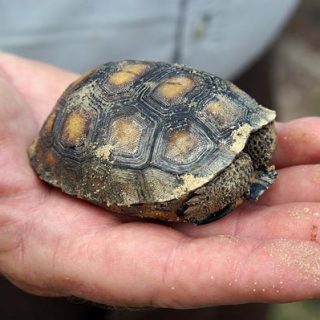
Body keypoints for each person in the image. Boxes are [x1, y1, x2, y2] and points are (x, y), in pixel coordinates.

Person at [1, 52, 320, 309]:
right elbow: (234, 169)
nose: (266, 146)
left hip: (233, 62)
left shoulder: (256, 133)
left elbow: (259, 131)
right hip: (84, 108)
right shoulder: (235, 171)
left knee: (223, 299)